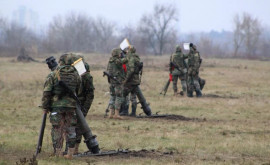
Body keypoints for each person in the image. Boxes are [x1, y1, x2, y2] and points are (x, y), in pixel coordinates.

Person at [41, 53, 82, 159]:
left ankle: (58, 153)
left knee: (57, 129)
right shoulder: (76, 74)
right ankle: (70, 154)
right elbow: (78, 90)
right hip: (71, 107)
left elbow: (47, 92)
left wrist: (45, 107)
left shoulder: (54, 74)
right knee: (70, 129)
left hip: (56, 107)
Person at [122, 45, 151, 116]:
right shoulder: (136, 57)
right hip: (135, 80)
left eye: (128, 50)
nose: (127, 51)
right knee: (134, 96)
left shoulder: (131, 58)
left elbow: (131, 70)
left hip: (131, 80)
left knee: (123, 94)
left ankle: (124, 111)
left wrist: (126, 80)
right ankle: (134, 112)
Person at [106, 48, 128, 119]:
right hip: (118, 82)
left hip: (112, 82)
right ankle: (116, 114)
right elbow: (125, 60)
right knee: (118, 97)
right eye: (119, 53)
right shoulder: (117, 61)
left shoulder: (110, 61)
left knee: (112, 97)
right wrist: (126, 54)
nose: (120, 54)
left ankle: (111, 114)